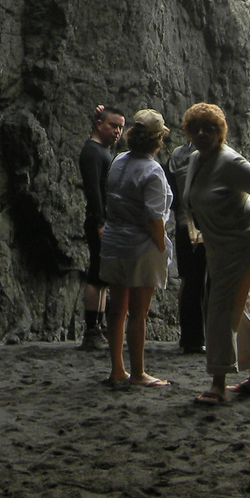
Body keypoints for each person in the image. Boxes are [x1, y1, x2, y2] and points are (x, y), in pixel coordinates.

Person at [181, 103, 250, 405]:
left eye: (209, 128)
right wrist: (199, 231)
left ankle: (218, 382)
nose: (201, 134)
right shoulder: (197, 159)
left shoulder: (230, 161)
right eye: (195, 128)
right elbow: (193, 201)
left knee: (219, 309)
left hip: (237, 244)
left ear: (220, 131)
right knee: (237, 305)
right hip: (215, 243)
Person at [99, 109, 174, 386]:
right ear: (158, 140)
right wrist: (161, 246)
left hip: (114, 241)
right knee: (138, 313)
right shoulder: (152, 171)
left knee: (117, 309)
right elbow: (155, 218)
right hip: (140, 246)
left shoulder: (119, 160)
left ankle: (117, 370)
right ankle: (139, 372)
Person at [79, 105, 126, 351]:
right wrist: (100, 222)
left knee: (102, 276)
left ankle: (99, 326)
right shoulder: (92, 153)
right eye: (112, 125)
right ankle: (91, 330)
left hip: (106, 220)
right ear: (100, 125)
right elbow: (93, 191)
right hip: (100, 221)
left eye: (121, 127)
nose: (117, 131)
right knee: (96, 275)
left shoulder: (103, 152)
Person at [164, 137, 206, 354]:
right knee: (199, 283)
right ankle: (197, 337)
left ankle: (191, 336)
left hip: (183, 223)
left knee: (189, 281)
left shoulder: (175, 156)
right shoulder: (209, 155)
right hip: (203, 226)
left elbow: (172, 197)